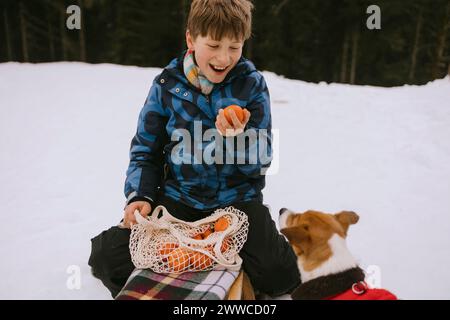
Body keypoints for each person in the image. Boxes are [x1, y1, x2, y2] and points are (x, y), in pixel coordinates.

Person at [89, 0, 300, 299]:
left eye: (234, 47)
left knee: (280, 274)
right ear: (191, 39)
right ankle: (212, 261)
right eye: (213, 45)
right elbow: (145, 152)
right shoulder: (166, 85)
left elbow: (263, 159)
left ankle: (217, 262)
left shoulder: (251, 85)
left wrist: (237, 139)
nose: (223, 57)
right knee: (109, 259)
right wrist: (140, 196)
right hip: (179, 202)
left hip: (236, 204)